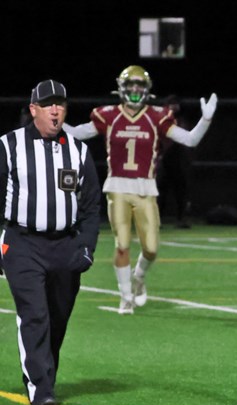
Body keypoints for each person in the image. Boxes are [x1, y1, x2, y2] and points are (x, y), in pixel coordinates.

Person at [64, 65, 217, 314]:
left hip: (146, 188)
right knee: (122, 244)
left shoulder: (157, 116)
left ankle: (138, 276)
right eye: (131, 85)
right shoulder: (109, 115)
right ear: (122, 88)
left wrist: (206, 119)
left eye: (139, 86)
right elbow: (78, 134)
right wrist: (55, 122)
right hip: (118, 187)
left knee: (152, 249)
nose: (135, 90)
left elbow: (190, 140)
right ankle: (125, 297)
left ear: (146, 90)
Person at [0, 80, 101, 405]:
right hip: (23, 242)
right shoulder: (8, 146)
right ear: (33, 110)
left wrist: (86, 246)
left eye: (60, 104)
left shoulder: (78, 150)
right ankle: (40, 386)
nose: (55, 110)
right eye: (48, 105)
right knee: (35, 315)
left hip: (64, 245)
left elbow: (90, 206)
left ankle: (45, 372)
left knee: (58, 316)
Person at [156, 95, 193, 229]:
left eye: (176, 103)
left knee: (181, 191)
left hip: (179, 161)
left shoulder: (181, 121)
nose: (173, 106)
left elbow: (188, 140)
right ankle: (157, 219)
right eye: (171, 104)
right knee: (160, 191)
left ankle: (182, 218)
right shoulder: (160, 121)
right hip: (164, 160)